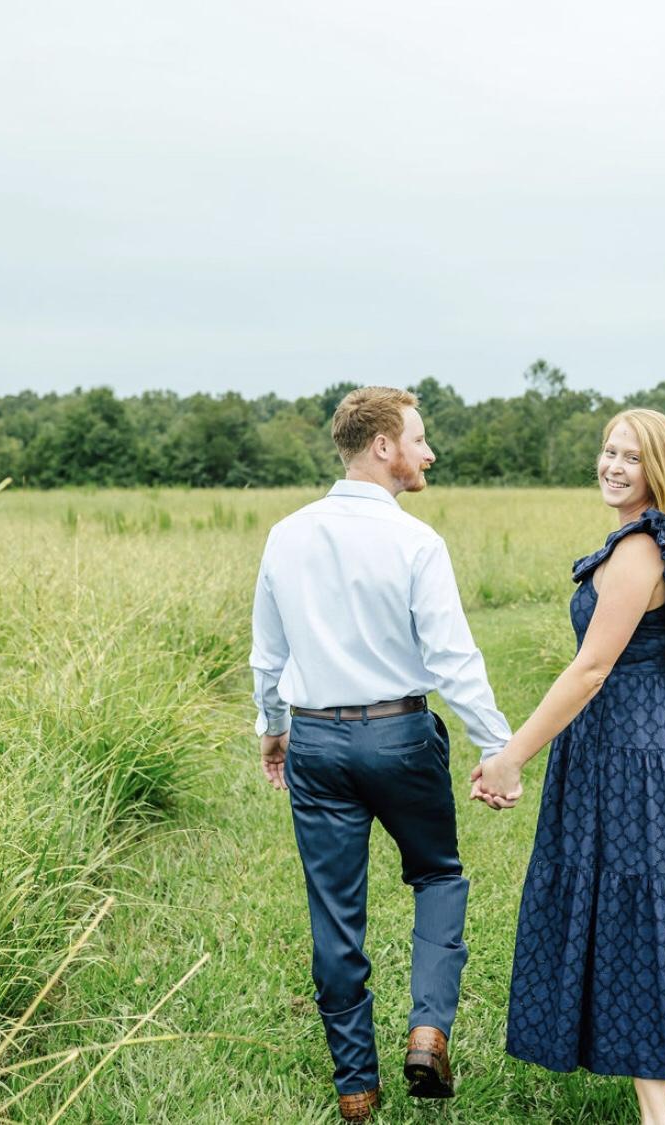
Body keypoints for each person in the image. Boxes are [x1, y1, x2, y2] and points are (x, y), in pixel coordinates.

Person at [250, 386, 518, 1124]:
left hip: (316, 740)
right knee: (437, 874)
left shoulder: (286, 534)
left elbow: (268, 654)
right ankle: (428, 1031)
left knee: (335, 911)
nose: (428, 453)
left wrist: (273, 726)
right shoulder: (415, 542)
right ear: (382, 446)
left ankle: (356, 1087)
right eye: (418, 439)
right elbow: (453, 659)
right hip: (400, 736)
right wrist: (496, 746)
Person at [473, 408, 665, 1125]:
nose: (612, 466)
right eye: (608, 450)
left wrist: (511, 757)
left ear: (659, 469)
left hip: (633, 757)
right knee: (643, 905)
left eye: (630, 456)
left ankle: (656, 1114)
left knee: (634, 910)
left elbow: (590, 671)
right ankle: (642, 1082)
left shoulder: (640, 552)